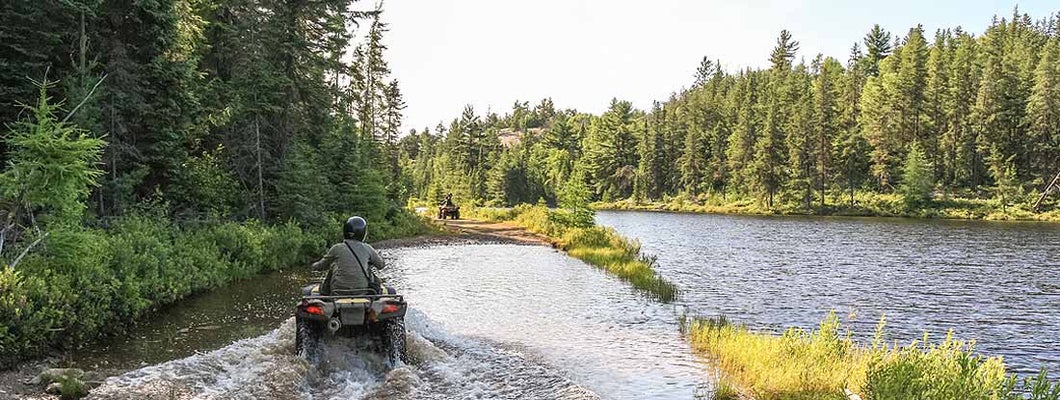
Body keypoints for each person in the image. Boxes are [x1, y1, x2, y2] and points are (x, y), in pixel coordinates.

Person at [311, 216, 386, 295]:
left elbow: (320, 266)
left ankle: (326, 292)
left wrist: (313, 265)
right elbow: (381, 265)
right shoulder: (368, 248)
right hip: (362, 291)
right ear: (363, 233)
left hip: (337, 291)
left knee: (333, 265)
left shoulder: (337, 248)